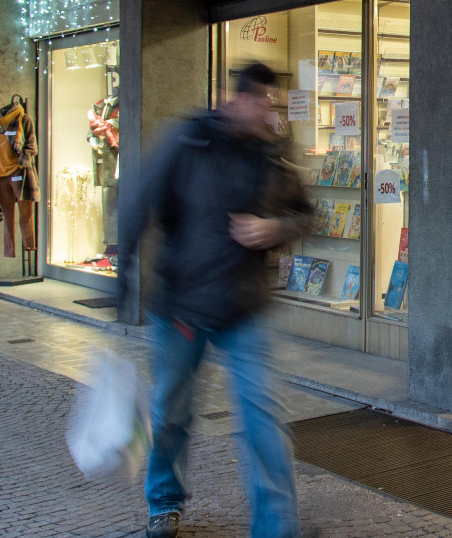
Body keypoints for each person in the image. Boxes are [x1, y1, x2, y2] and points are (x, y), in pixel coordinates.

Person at [120, 63, 314, 538]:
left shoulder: (273, 155)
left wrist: (275, 229)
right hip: (184, 303)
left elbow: (304, 216)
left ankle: (277, 527)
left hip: (246, 305)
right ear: (237, 99)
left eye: (272, 103)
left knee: (262, 415)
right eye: (261, 101)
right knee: (171, 413)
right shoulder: (188, 141)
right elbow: (139, 197)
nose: (268, 111)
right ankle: (164, 503)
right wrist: (122, 269)